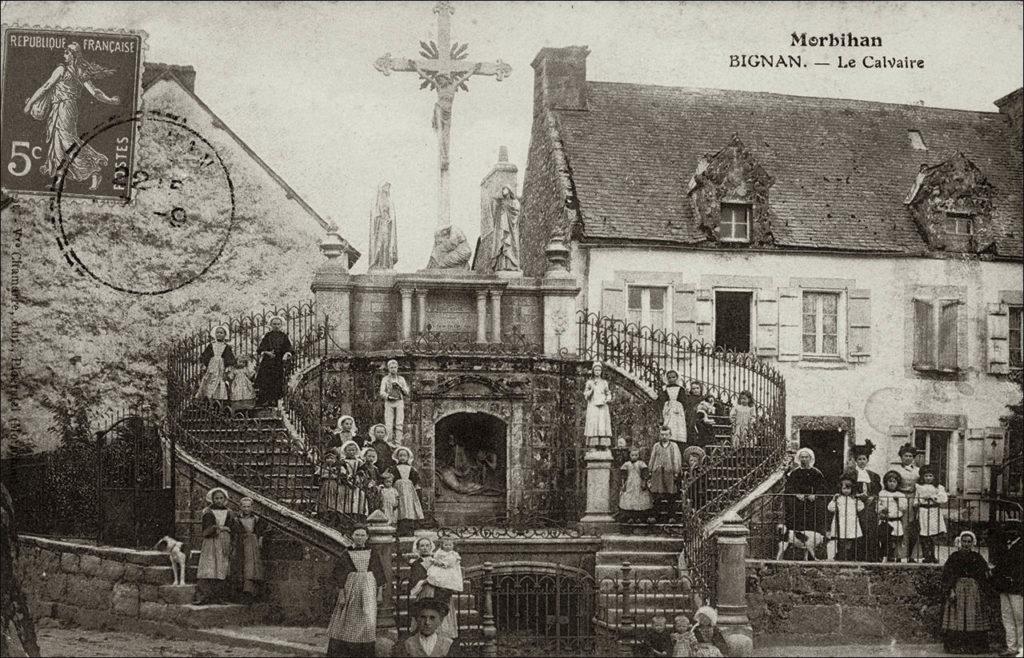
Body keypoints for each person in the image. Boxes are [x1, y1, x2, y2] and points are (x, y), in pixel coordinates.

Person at [23, 42, 121, 189]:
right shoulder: (79, 71)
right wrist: (109, 100)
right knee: (58, 144)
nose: (64, 55)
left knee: (68, 142)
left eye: (67, 52)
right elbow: (95, 92)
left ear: (73, 55)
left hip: (66, 109)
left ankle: (94, 171)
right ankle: (59, 180)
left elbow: (46, 87)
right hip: (60, 109)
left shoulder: (63, 70)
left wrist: (30, 103)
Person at [326, 526, 385, 657]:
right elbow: (339, 575)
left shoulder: (372, 553)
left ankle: (364, 651)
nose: (360, 538)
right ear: (352, 536)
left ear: (367, 537)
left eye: (362, 535)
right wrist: (342, 594)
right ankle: (347, 651)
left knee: (367, 619)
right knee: (348, 620)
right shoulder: (346, 553)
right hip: (351, 589)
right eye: (357, 535)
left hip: (369, 589)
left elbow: (379, 574)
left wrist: (379, 594)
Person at [941, 530, 991, 654]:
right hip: (958, 589)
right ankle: (956, 646)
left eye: (969, 542)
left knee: (972, 617)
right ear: (960, 542)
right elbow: (947, 574)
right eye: (964, 541)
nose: (966, 544)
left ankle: (973, 647)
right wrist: (950, 590)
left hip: (973, 591)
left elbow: (984, 573)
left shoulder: (977, 557)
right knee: (957, 618)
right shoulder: (954, 557)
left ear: (972, 543)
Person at [194, 487, 236, 605]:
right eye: (216, 498)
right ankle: (204, 596)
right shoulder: (207, 512)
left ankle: (219, 596)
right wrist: (218, 528)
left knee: (221, 568)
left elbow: (232, 527)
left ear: (225, 499)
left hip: (224, 542)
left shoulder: (229, 513)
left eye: (221, 498)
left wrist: (229, 532)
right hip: (211, 542)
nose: (218, 500)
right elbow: (206, 528)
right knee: (209, 567)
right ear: (212, 499)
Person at [991, 521, 1023, 657]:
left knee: (1020, 618)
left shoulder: (1021, 547)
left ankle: (1021, 649)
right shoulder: (1005, 546)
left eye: (1011, 531)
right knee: (1007, 618)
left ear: (1017, 532)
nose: (1008, 533)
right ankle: (1011, 648)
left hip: (1017, 588)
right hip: (1004, 588)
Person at [394, 597, 460, 657]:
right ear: (417, 619)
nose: (427, 622)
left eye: (432, 618)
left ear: (440, 621)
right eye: (423, 617)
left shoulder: (447, 644)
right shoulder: (408, 644)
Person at [849, 441, 882, 561]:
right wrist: (857, 495)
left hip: (869, 506)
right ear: (856, 461)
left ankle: (871, 556)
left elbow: (877, 490)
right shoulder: (850, 474)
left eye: (864, 459)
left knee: (870, 530)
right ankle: (856, 556)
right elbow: (846, 488)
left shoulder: (873, 475)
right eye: (859, 459)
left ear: (867, 460)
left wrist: (872, 496)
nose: (862, 461)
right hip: (855, 505)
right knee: (857, 530)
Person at [784, 448, 828, 536]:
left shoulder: (816, 473)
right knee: (799, 523)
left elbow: (822, 487)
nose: (804, 459)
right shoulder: (795, 473)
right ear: (799, 459)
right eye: (802, 457)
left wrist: (815, 495)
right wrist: (797, 494)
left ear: (810, 458)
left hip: (812, 503)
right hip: (799, 503)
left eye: (806, 457)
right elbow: (790, 486)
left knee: (813, 524)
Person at [255, 316, 293, 407]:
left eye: (278, 324)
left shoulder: (284, 336)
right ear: (271, 325)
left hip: (278, 362)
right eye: (274, 324)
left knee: (276, 380)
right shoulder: (267, 336)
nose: (276, 326)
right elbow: (260, 348)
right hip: (267, 362)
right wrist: (267, 353)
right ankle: (264, 400)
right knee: (265, 380)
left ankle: (274, 400)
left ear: (281, 325)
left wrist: (286, 354)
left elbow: (288, 348)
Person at [233, 497, 267, 600]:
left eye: (248, 506)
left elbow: (260, 531)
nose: (246, 509)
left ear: (252, 507)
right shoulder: (237, 519)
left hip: (253, 544)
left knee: (252, 566)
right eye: (244, 506)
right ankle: (241, 590)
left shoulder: (256, 519)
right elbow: (235, 532)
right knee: (241, 564)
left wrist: (259, 538)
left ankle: (251, 590)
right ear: (240, 507)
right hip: (241, 543)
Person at [914, 466, 948, 564]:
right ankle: (926, 556)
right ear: (922, 477)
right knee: (924, 535)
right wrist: (918, 502)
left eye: (930, 476)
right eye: (926, 476)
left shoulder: (938, 487)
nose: (928, 478)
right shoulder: (919, 487)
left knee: (932, 535)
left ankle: (933, 555)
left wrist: (933, 497)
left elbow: (944, 499)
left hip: (934, 511)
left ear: (934, 477)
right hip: (923, 511)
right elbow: (916, 499)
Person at [388, 447, 424, 536]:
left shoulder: (411, 469)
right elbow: (391, 478)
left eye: (404, 455)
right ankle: (400, 529)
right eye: (400, 455)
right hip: (398, 489)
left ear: (408, 457)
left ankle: (409, 529)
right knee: (399, 507)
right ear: (397, 457)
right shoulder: (394, 468)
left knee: (408, 507)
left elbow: (415, 479)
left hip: (408, 490)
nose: (402, 457)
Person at [649, 427, 683, 521]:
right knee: (657, 495)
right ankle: (655, 516)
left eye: (666, 435)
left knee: (670, 495)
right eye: (662, 434)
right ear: (660, 435)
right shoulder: (656, 446)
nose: (664, 437)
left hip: (669, 472)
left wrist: (676, 472)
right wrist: (651, 469)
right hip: (658, 472)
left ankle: (671, 516)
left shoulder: (673, 446)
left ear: (670, 435)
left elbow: (676, 459)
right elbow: (652, 458)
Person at [829, 473, 865, 561]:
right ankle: (841, 556)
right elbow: (830, 508)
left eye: (848, 488)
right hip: (841, 521)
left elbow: (860, 508)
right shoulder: (839, 498)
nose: (846, 491)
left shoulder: (854, 498)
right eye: (844, 488)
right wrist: (834, 500)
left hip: (851, 522)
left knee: (851, 539)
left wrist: (858, 500)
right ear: (840, 489)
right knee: (842, 539)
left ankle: (850, 556)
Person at [895, 442, 921, 562]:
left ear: (913, 458)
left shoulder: (918, 471)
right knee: (902, 528)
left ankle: (912, 556)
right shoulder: (896, 470)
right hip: (900, 500)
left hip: (914, 501)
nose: (908, 458)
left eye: (910, 456)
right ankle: (900, 555)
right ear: (901, 457)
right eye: (905, 456)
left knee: (914, 529)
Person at [197, 325, 236, 402]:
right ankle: (208, 396)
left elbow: (229, 357)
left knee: (220, 380)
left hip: (221, 366)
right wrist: (204, 364)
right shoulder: (211, 345)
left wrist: (228, 367)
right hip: (212, 365)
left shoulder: (226, 346)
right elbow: (206, 355)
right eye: (217, 332)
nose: (219, 334)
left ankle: (218, 397)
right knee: (210, 378)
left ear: (225, 335)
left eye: (221, 333)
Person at [876, 470, 907, 563]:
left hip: (896, 520)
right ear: (886, 482)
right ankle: (885, 556)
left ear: (897, 483)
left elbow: (903, 508)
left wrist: (898, 501)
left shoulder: (901, 495)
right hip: (886, 520)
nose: (892, 484)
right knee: (885, 539)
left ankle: (895, 556)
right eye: (890, 481)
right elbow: (878, 506)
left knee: (896, 540)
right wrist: (881, 510)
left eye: (894, 482)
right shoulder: (882, 493)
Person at [368, 181, 399, 271]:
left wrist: (390, 218)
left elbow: (392, 214)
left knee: (387, 244)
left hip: (387, 225)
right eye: (386, 187)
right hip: (380, 225)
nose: (387, 189)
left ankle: (386, 264)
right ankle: (378, 263)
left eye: (388, 187)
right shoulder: (377, 201)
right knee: (379, 245)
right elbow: (375, 214)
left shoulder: (389, 200)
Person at [619, 447, 653, 524]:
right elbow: (623, 475)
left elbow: (645, 473)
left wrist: (644, 481)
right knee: (629, 500)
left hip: (639, 484)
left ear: (638, 456)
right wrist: (623, 483)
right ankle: (630, 517)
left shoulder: (641, 464)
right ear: (629, 456)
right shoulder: (626, 464)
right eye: (632, 455)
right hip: (630, 484)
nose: (634, 457)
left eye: (636, 455)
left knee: (640, 500)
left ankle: (639, 517)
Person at [491, 185, 521, 272]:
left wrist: (508, 207)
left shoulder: (514, 202)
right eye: (502, 189)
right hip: (502, 226)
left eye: (505, 188)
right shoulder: (500, 203)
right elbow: (493, 208)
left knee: (509, 244)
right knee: (501, 243)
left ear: (509, 190)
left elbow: (516, 212)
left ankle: (512, 265)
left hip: (510, 228)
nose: (503, 190)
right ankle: (502, 266)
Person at [338, 440, 368, 525]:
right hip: (347, 484)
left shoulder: (359, 462)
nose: (351, 452)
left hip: (357, 484)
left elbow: (362, 472)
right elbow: (342, 471)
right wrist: (347, 477)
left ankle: (357, 519)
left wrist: (358, 477)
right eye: (349, 450)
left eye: (353, 450)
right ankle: (346, 520)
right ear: (345, 451)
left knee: (358, 500)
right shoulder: (343, 462)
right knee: (347, 502)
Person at [583, 362, 613, 447]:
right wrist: (591, 390)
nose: (597, 372)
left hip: (602, 406)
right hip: (593, 405)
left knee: (602, 423)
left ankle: (603, 445)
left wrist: (607, 399)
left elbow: (608, 393)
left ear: (601, 371)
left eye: (599, 370)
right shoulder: (589, 382)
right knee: (593, 423)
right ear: (593, 371)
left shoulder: (604, 382)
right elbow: (586, 395)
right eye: (596, 370)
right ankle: (593, 445)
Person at [380, 360, 411, 443]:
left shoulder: (401, 379)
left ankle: (398, 442)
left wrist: (400, 386)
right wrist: (388, 397)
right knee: (388, 423)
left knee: (399, 423)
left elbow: (407, 392)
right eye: (391, 368)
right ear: (388, 369)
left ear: (397, 368)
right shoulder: (385, 379)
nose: (393, 369)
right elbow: (382, 392)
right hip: (389, 402)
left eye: (394, 367)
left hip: (399, 401)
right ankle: (389, 441)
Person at [655, 371, 688, 447]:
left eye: (673, 377)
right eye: (669, 378)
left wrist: (680, 407)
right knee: (668, 423)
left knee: (678, 425)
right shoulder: (665, 389)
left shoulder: (681, 389)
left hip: (678, 409)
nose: (671, 379)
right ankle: (669, 438)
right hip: (668, 408)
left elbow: (684, 401)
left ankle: (678, 440)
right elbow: (662, 399)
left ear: (677, 378)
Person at [316, 450, 343, 528]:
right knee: (323, 498)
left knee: (333, 500)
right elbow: (318, 475)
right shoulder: (322, 467)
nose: (330, 460)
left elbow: (340, 477)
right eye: (328, 458)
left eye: (332, 458)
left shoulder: (338, 468)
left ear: (335, 460)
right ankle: (323, 513)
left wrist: (335, 476)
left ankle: (332, 514)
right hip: (325, 485)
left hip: (334, 486)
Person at [683, 445, 708, 512]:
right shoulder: (686, 471)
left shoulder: (700, 470)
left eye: (695, 460)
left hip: (698, 491)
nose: (693, 462)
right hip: (689, 491)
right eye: (691, 460)